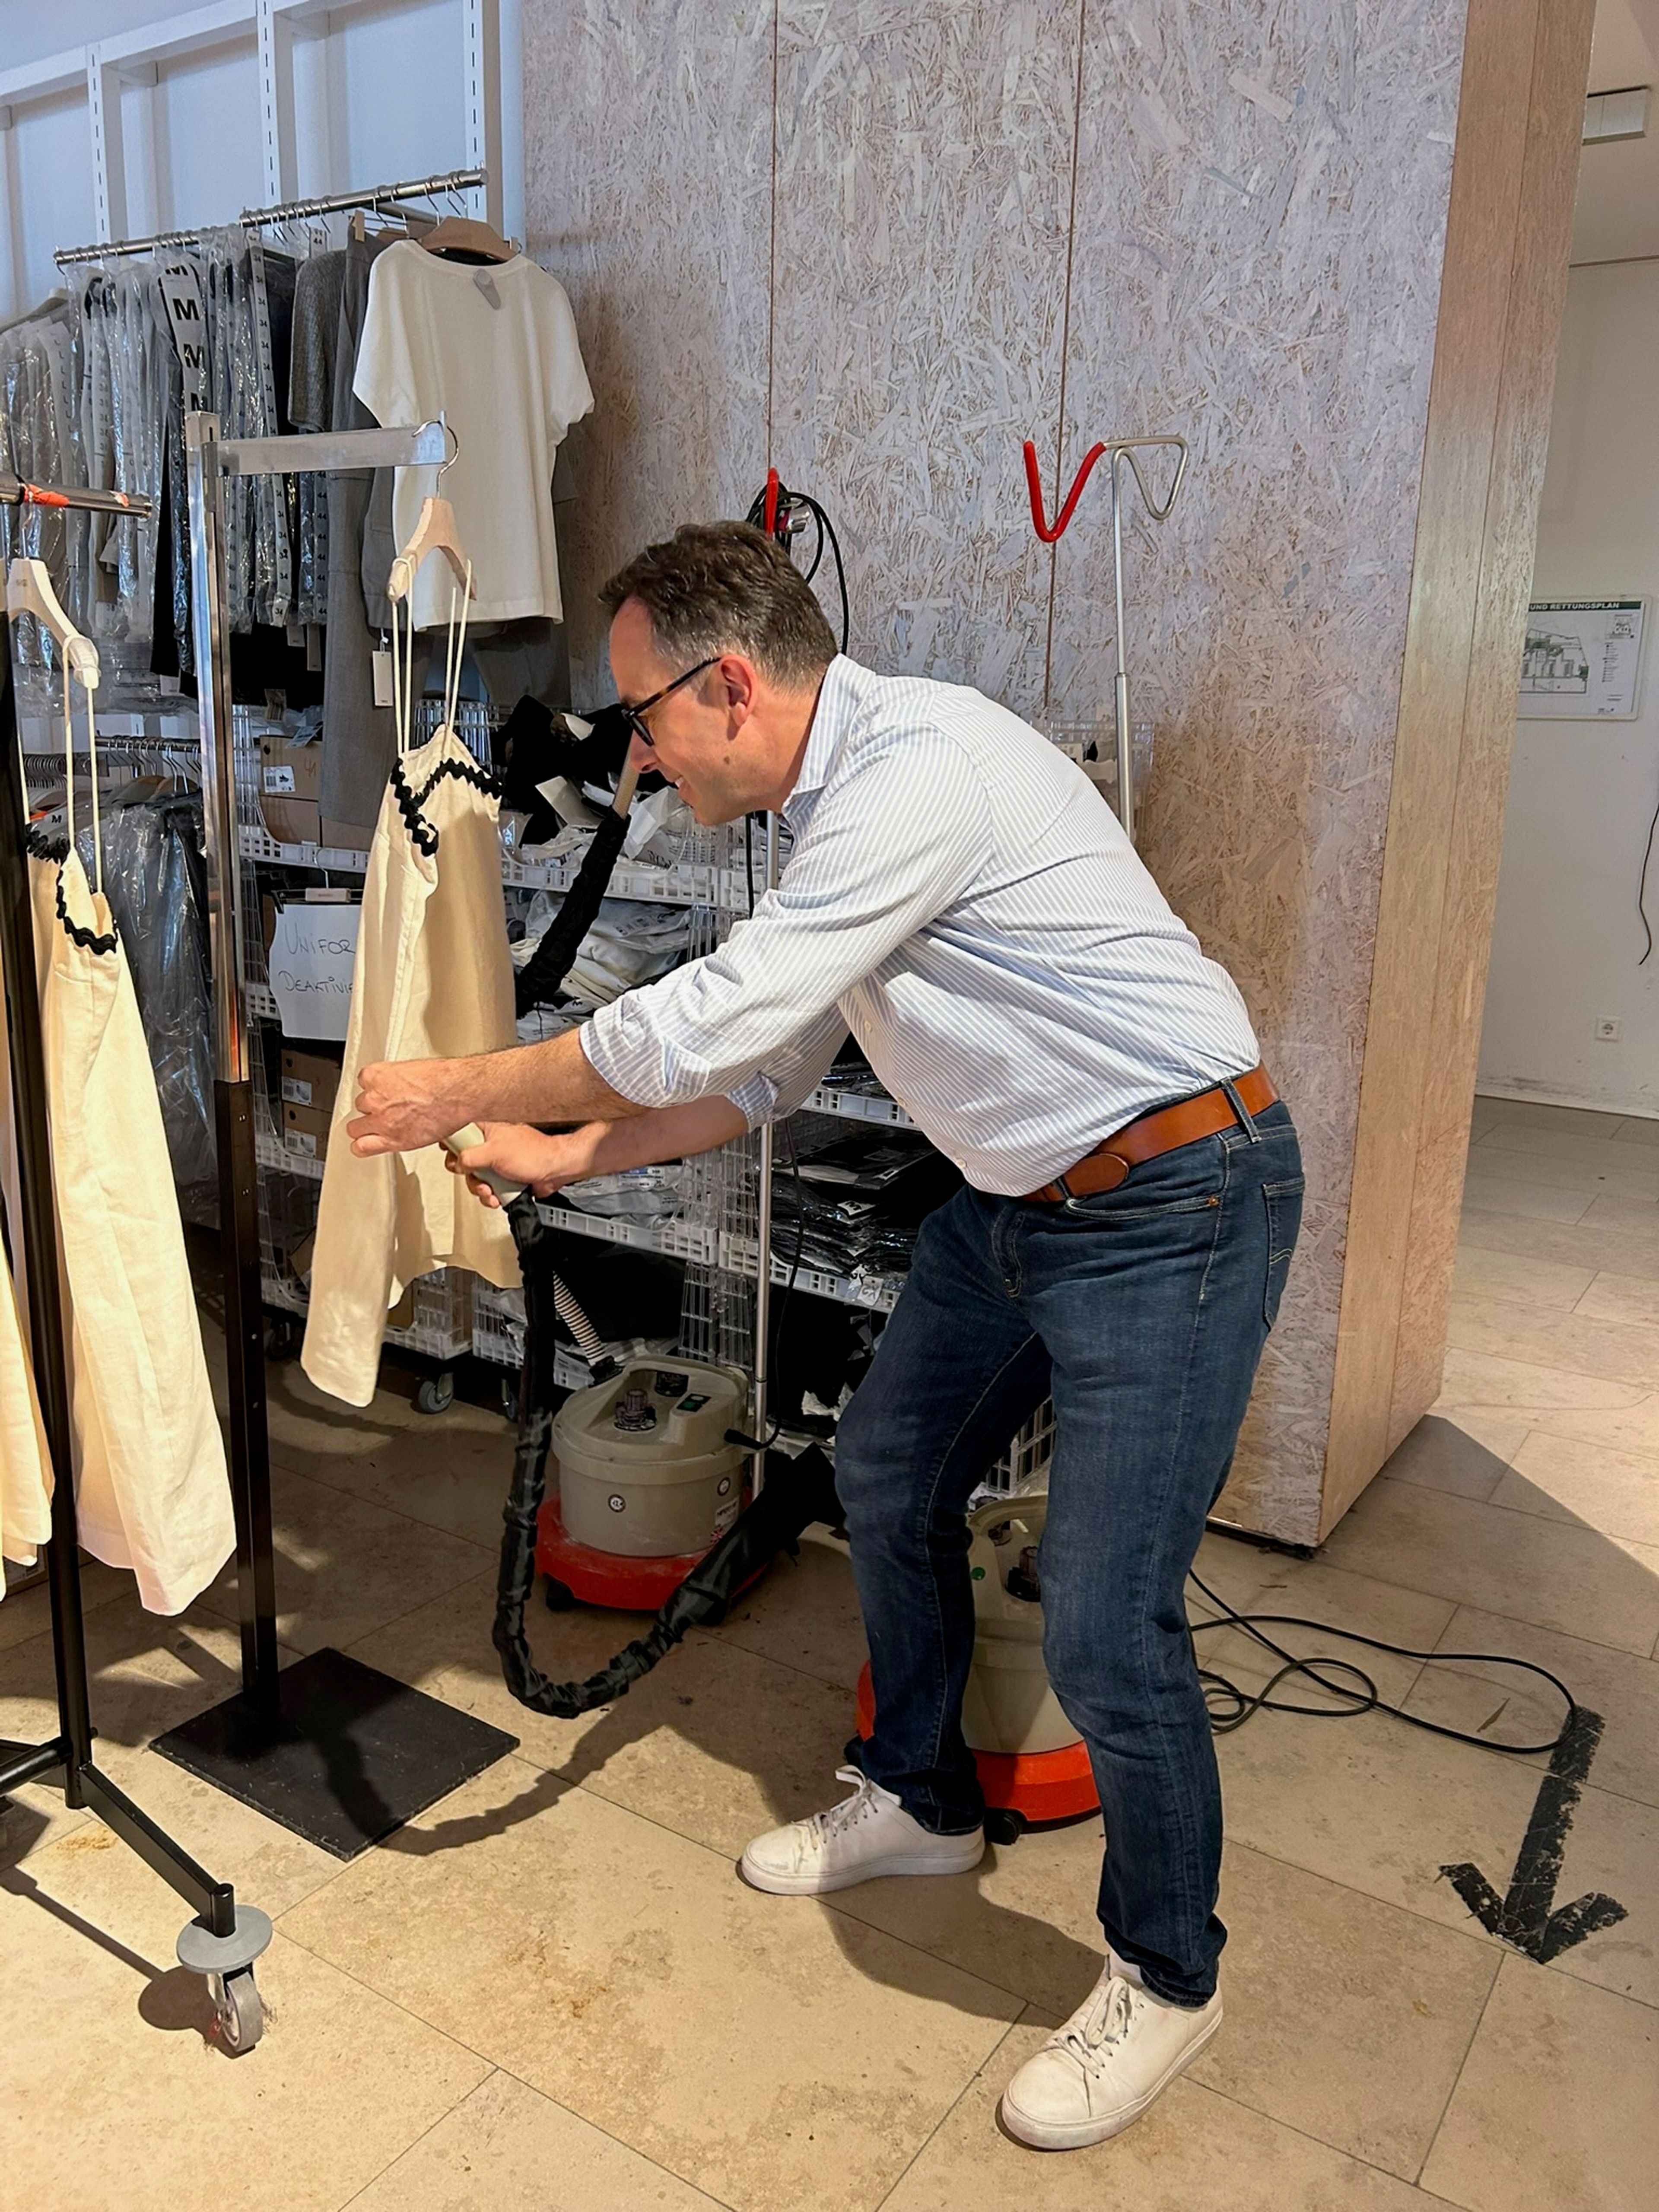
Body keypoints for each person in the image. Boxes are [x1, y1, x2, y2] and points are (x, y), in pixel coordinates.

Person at [346, 520, 1304, 2152]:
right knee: (884, 1470)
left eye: (645, 717)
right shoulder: (826, 816)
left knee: (1104, 1618)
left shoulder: (918, 771)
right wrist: (567, 1153)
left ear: (730, 687)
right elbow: (766, 1071)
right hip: (1019, 1201)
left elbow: (708, 1020)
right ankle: (921, 1798)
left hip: (1175, 1194)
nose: (637, 759)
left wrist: (462, 1082)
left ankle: (1169, 1972)